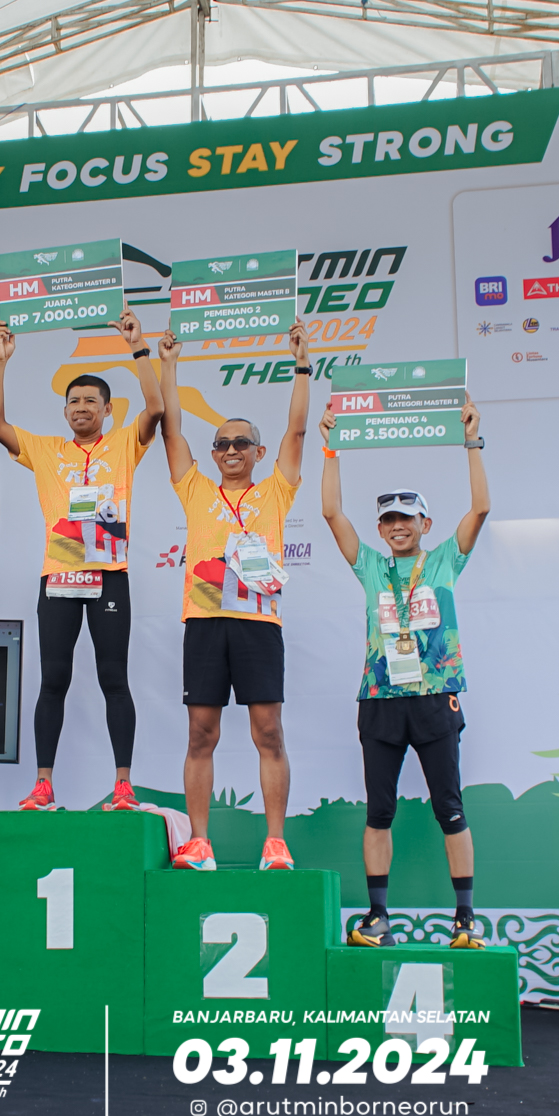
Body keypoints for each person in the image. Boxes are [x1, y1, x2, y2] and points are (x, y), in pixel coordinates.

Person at [320, 398, 491, 949]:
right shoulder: (371, 566)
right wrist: (330, 449)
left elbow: (481, 508)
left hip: (436, 696)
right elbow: (331, 514)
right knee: (379, 811)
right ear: (381, 528)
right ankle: (377, 917)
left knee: (450, 808)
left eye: (407, 519)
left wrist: (472, 441)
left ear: (424, 524)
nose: (397, 526)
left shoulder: (444, 560)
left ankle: (465, 919)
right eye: (389, 520)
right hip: (380, 700)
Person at [0, 311, 164, 810]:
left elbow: (156, 407)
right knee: (53, 680)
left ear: (107, 410)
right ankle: (43, 784)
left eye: (91, 401)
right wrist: (0, 361)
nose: (81, 407)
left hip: (108, 576)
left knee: (114, 679)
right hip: (57, 578)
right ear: (64, 412)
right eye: (74, 401)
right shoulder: (46, 450)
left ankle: (123, 784)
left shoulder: (123, 443)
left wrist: (138, 348)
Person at [157, 323, 315, 871]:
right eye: (221, 444)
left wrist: (301, 365)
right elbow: (171, 430)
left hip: (258, 624)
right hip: (205, 622)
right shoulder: (195, 488)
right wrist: (168, 366)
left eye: (240, 443)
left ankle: (276, 843)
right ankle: (200, 843)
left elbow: (298, 431)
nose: (229, 450)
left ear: (257, 452)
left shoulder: (275, 491)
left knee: (268, 731)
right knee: (201, 732)